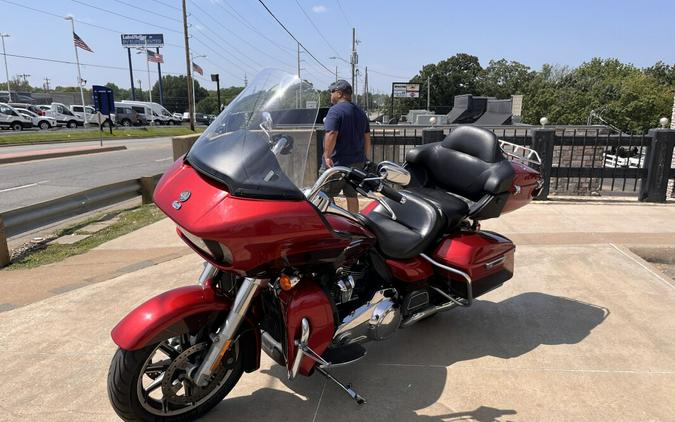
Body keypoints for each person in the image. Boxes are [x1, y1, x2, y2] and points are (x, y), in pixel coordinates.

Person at [321, 79, 371, 213]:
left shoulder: (335, 111)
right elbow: (367, 137)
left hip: (337, 162)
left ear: (339, 93)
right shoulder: (361, 112)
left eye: (331, 92)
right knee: (352, 195)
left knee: (325, 194)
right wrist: (365, 158)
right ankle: (354, 220)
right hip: (357, 163)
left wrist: (327, 156)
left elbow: (331, 133)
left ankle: (329, 220)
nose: (330, 95)